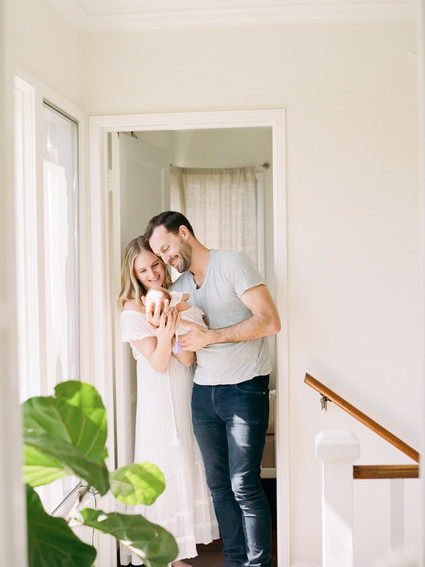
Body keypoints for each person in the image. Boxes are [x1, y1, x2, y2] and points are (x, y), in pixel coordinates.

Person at [145, 211, 281, 567]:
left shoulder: (233, 264)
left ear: (184, 233)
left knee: (245, 486)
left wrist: (211, 337)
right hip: (203, 395)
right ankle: (234, 562)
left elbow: (270, 321)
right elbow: (185, 354)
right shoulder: (180, 287)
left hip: (245, 388)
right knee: (219, 487)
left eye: (166, 249)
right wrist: (165, 331)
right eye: (159, 255)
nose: (165, 259)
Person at [117, 236, 219, 567]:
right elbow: (159, 363)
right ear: (133, 274)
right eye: (143, 270)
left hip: (183, 390)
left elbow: (186, 359)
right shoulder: (131, 311)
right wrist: (165, 331)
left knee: (184, 462)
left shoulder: (176, 299)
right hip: (157, 399)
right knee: (162, 466)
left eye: (155, 265)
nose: (152, 274)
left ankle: (174, 557)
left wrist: (173, 328)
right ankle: (160, 557)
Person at [143, 286, 207, 353]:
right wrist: (179, 296)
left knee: (183, 338)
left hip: (183, 329)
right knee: (199, 323)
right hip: (192, 317)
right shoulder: (175, 297)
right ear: (170, 296)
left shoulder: (160, 316)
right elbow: (187, 295)